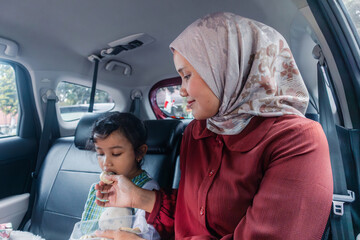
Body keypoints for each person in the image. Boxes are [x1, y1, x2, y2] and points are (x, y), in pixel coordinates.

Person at [95, 12, 333, 240]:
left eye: (187, 75)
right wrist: (137, 196)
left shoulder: (297, 140)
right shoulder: (196, 133)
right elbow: (190, 218)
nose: (182, 90)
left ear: (227, 69)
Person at [81, 112, 160, 240]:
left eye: (116, 154)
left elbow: (146, 234)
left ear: (139, 153)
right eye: (100, 153)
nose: (106, 162)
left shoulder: (147, 189)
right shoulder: (98, 189)